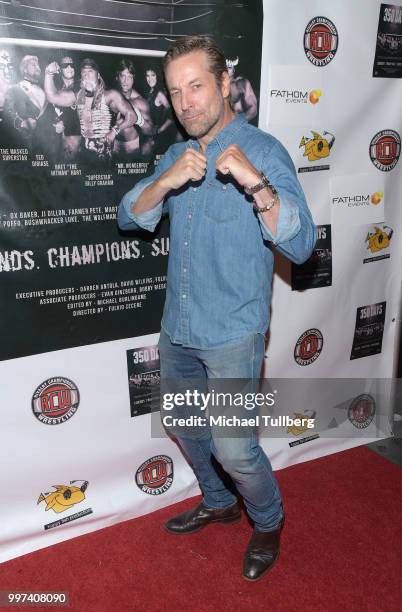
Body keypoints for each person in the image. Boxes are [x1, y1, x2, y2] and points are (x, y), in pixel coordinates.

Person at [118, 36, 316, 582]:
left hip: (233, 332)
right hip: (178, 327)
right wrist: (165, 181)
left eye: (197, 86)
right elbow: (128, 214)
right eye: (176, 92)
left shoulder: (265, 150)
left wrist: (258, 186)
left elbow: (301, 247)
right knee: (182, 423)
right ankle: (218, 501)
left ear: (226, 84)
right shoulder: (174, 154)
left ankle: (268, 521)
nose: (186, 103)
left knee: (234, 449)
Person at [44, 58, 135, 162]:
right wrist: (49, 74)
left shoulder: (110, 95)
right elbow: (52, 97)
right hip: (84, 156)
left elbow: (132, 116)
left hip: (105, 154)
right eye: (84, 72)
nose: (86, 75)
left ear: (98, 75)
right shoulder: (77, 96)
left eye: (90, 71)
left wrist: (114, 131)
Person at [3, 55, 47, 148]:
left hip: (43, 143)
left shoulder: (44, 90)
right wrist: (20, 123)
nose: (37, 67)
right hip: (23, 141)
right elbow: (7, 112)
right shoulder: (15, 88)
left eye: (37, 65)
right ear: (25, 69)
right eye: (33, 65)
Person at [44, 56, 81, 161]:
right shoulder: (53, 86)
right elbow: (47, 112)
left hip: (75, 137)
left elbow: (55, 97)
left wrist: (48, 74)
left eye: (72, 65)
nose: (70, 67)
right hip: (55, 139)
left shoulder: (80, 86)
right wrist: (55, 122)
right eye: (65, 65)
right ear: (60, 69)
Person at [115, 59, 153, 159]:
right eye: (122, 76)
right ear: (117, 77)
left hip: (131, 146)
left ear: (133, 79)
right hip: (112, 144)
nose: (125, 81)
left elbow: (150, 131)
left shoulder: (140, 102)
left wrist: (139, 120)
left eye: (129, 77)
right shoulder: (110, 96)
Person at [144, 64, 178, 152]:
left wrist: (160, 130)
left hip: (159, 138)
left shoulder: (160, 94)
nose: (150, 78)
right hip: (151, 135)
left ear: (157, 76)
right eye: (147, 75)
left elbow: (172, 114)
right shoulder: (151, 92)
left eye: (153, 75)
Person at [226, 56, 257, 121]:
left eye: (229, 67)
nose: (226, 70)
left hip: (237, 126)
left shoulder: (241, 84)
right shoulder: (215, 85)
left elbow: (253, 109)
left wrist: (237, 125)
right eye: (223, 67)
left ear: (233, 70)